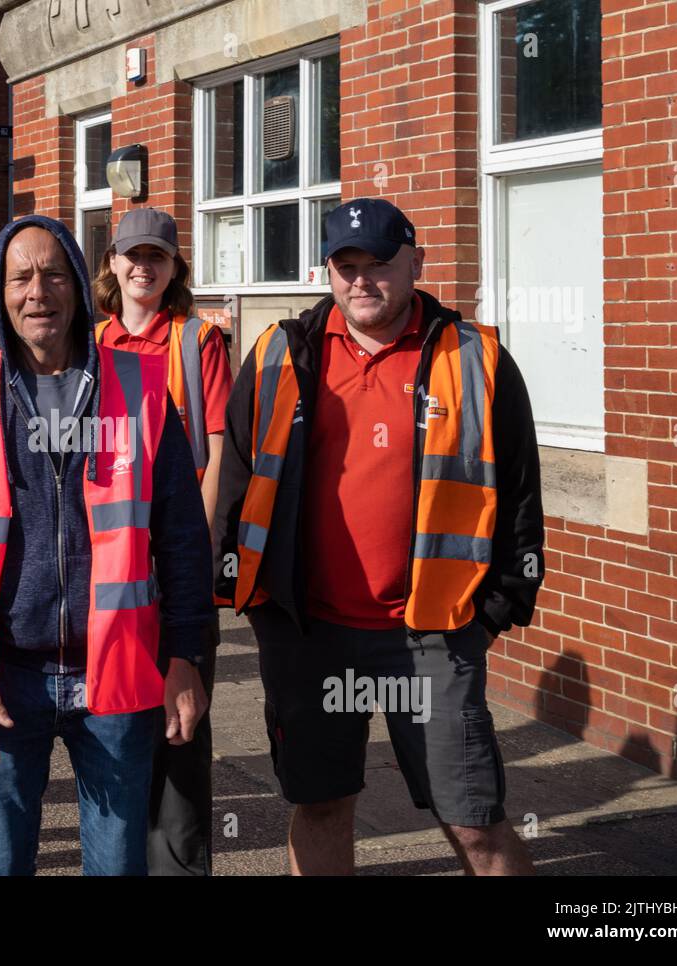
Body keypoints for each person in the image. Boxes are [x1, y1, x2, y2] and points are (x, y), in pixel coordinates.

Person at [215, 198, 544, 875]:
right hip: (310, 636)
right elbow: (239, 483)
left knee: (474, 820)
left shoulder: (476, 358)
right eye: (346, 265)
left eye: (380, 264)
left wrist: (496, 610)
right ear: (329, 272)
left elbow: (519, 496)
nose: (362, 280)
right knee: (324, 805)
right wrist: (241, 594)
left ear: (416, 263)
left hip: (431, 634)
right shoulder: (281, 353)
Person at [0, 215, 213, 876]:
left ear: (79, 285)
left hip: (117, 675)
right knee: (0, 861)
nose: (37, 291)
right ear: (0, 291)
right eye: (20, 276)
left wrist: (186, 657)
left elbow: (184, 541)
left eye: (53, 273)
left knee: (117, 866)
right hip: (3, 676)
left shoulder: (140, 389)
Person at [92, 207, 232, 876]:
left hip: (174, 578)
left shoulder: (196, 342)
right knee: (116, 734)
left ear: (175, 267)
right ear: (111, 265)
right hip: (112, 579)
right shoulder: (91, 344)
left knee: (180, 744)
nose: (143, 265)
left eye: (158, 255)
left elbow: (219, 460)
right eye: (132, 254)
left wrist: (191, 566)